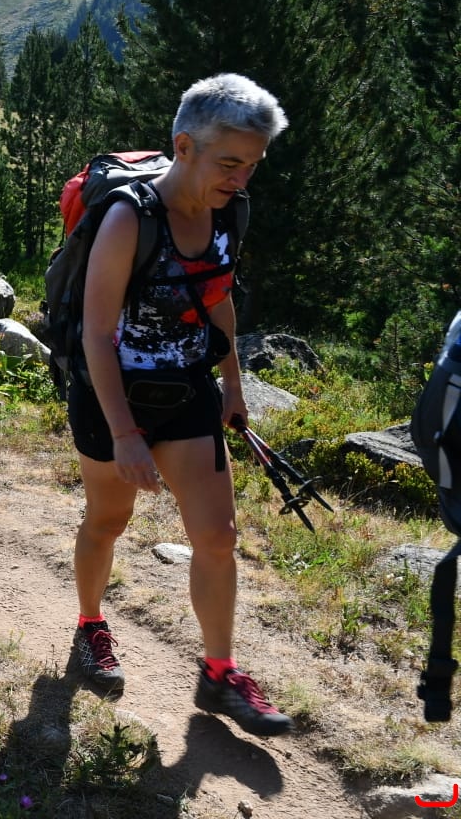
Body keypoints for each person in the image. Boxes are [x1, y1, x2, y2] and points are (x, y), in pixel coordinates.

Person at [68, 73, 292, 736]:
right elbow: (96, 334)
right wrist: (125, 434)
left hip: (188, 389)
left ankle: (219, 673)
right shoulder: (128, 219)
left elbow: (217, 299)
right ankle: (90, 626)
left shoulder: (226, 213)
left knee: (218, 537)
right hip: (114, 396)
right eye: (229, 163)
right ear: (184, 147)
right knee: (108, 520)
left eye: (252, 165)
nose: (241, 179)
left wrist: (233, 384)